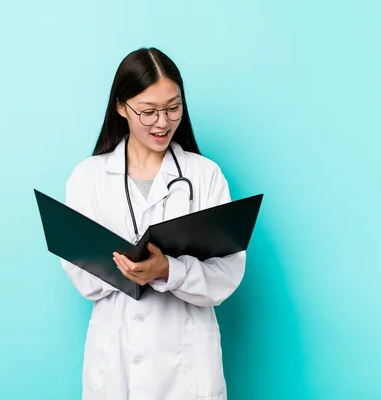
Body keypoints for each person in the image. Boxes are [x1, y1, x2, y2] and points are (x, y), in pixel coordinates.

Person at [59, 47, 246, 400]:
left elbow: (227, 274)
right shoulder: (89, 177)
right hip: (116, 366)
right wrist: (126, 270)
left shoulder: (204, 176)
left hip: (187, 373)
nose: (162, 123)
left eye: (173, 108)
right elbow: (80, 274)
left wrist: (168, 271)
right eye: (148, 112)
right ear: (120, 107)